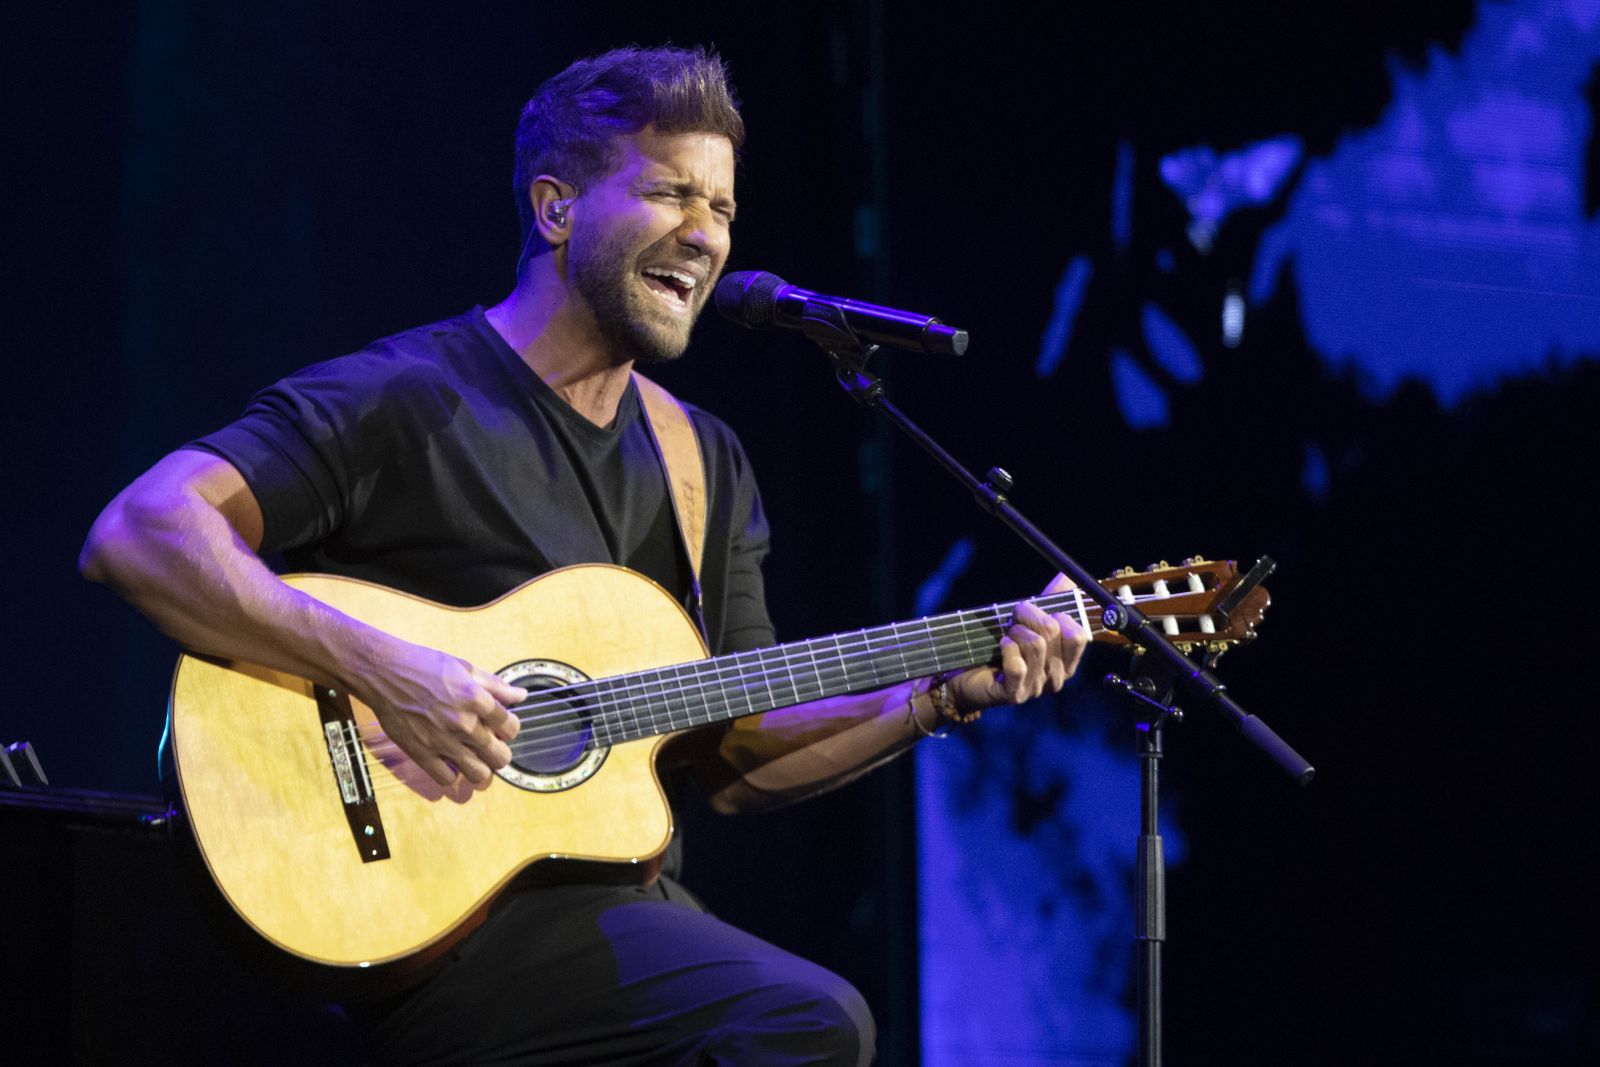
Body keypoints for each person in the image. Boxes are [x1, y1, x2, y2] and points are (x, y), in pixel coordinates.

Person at [80, 45, 1087, 1065]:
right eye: (669, 194)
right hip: (399, 913)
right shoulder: (405, 398)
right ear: (557, 208)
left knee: (800, 1014)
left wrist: (939, 693)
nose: (706, 235)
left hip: (603, 919)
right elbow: (141, 532)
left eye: (723, 209)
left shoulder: (704, 460)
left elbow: (737, 753)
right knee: (804, 1020)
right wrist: (385, 668)